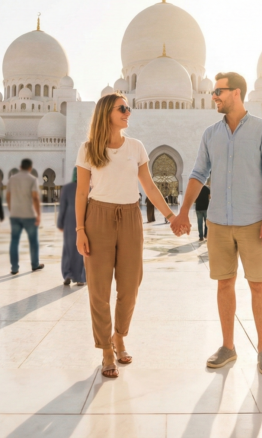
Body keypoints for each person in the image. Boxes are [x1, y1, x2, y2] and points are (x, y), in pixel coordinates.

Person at [173, 71, 262, 376]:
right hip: (219, 222)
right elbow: (197, 174)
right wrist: (183, 213)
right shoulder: (211, 134)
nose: (213, 96)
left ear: (236, 93)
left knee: (258, 285)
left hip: (253, 221)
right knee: (224, 284)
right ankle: (228, 347)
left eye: (218, 91)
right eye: (213, 91)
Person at [75, 93, 180, 379]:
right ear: (107, 112)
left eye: (128, 108)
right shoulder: (87, 149)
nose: (128, 112)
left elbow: (149, 186)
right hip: (97, 217)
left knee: (131, 284)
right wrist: (80, 230)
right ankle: (106, 349)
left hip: (130, 216)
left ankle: (119, 335)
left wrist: (171, 217)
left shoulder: (136, 147)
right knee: (99, 288)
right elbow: (82, 192)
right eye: (123, 108)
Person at [6, 159, 43, 275]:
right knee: (33, 241)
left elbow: (8, 196)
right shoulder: (32, 179)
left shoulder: (12, 179)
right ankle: (35, 264)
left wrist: (12, 209)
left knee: (14, 241)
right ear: (30, 168)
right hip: (29, 215)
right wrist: (38, 214)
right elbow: (35, 198)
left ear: (20, 166)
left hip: (15, 215)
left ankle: (14, 268)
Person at [57, 168, 85, 286]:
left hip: (69, 220)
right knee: (82, 248)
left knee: (68, 248)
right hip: (82, 220)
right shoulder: (87, 188)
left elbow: (62, 207)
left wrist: (60, 223)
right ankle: (80, 278)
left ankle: (68, 274)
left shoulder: (67, 188)